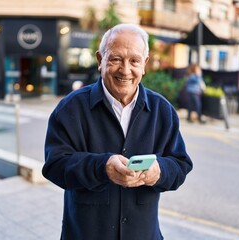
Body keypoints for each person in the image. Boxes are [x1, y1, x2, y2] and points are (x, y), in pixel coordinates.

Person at [42, 23, 193, 240]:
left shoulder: (163, 111)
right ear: (99, 60)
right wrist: (102, 167)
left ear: (145, 64)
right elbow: (54, 165)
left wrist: (159, 171)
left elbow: (181, 164)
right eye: (115, 59)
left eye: (134, 60)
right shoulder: (70, 109)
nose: (125, 70)